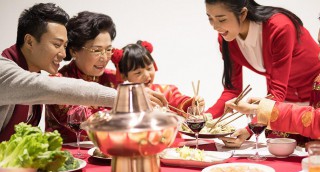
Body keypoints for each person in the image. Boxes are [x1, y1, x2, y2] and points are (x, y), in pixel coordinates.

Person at [0, 3, 167, 142]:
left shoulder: (33, 74)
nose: (63, 54)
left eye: (64, 46)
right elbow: (56, 89)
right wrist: (127, 97)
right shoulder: (4, 71)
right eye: (57, 45)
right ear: (29, 41)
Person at [205, 0, 320, 144]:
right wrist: (205, 117)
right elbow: (232, 91)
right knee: (282, 157)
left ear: (243, 14)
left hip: (315, 98)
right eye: (210, 18)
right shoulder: (227, 39)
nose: (215, 26)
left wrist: (249, 129)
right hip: (281, 104)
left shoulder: (280, 26)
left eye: (222, 19)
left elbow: (277, 92)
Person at [45, 11, 119, 142]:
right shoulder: (58, 81)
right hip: (68, 157)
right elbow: (87, 122)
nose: (104, 58)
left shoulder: (113, 78)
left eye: (108, 49)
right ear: (74, 51)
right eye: (96, 50)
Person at [111, 40, 205, 114]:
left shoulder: (167, 90)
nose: (147, 75)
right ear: (124, 76)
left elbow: (179, 100)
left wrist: (192, 104)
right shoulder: (122, 99)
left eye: (149, 68)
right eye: (138, 72)